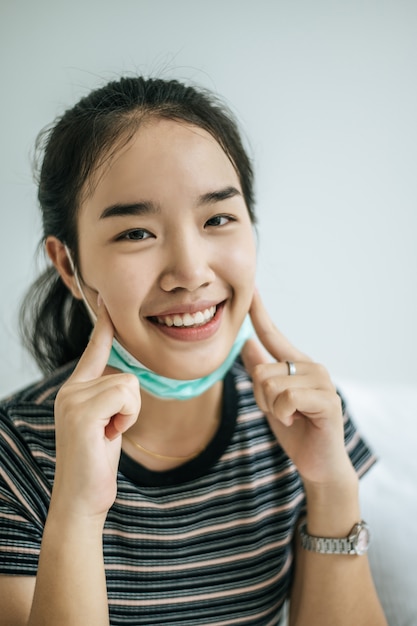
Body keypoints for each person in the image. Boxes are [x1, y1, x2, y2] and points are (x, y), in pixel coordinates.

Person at [0, 75, 387, 626]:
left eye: (218, 219)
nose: (190, 272)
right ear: (69, 264)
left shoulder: (306, 418)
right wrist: (77, 513)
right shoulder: (15, 454)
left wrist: (330, 487)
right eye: (136, 233)